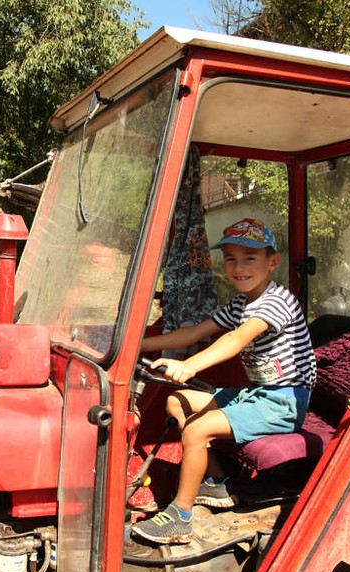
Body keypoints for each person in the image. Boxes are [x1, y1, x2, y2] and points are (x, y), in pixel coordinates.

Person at [130, 218, 316, 545]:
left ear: (272, 262)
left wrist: (189, 365)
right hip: (256, 394)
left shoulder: (277, 301)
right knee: (177, 401)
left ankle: (180, 517)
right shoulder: (240, 304)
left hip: (284, 402)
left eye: (250, 258)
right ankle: (216, 480)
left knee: (196, 429)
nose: (239, 267)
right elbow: (195, 332)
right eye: (231, 258)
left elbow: (236, 340)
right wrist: (132, 344)